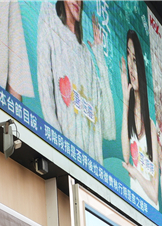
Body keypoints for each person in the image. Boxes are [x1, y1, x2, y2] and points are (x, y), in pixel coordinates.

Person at [37, 0, 113, 164]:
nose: (77, 1)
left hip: (92, 174)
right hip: (65, 162)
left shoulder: (86, 55)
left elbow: (107, 126)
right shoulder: (50, 21)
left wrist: (99, 57)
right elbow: (45, 91)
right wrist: (60, 151)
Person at [120, 28, 158, 207]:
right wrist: (125, 102)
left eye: (135, 59)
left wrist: (137, 174)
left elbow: (154, 194)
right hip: (133, 208)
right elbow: (126, 157)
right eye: (128, 56)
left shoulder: (151, 126)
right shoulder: (129, 115)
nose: (131, 66)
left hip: (150, 216)